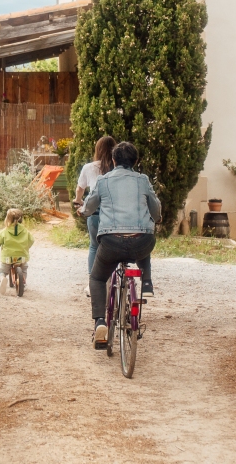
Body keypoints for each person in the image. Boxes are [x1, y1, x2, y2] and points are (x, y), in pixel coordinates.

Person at [79, 141, 161, 346]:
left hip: (111, 242)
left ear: (114, 160)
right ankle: (147, 282)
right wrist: (155, 218)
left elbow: (89, 206)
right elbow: (155, 208)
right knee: (145, 233)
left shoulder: (103, 180)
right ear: (136, 161)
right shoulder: (143, 180)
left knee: (97, 278)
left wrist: (83, 211)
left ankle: (99, 322)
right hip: (142, 242)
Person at [74, 136, 117, 294]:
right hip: (115, 214)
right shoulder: (118, 167)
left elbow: (80, 189)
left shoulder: (89, 167)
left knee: (94, 245)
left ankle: (93, 283)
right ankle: (115, 279)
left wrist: (78, 201)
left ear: (97, 150)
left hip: (95, 212)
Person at [0, 208, 35, 295]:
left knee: (2, 271)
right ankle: (23, 283)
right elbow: (31, 240)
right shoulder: (25, 231)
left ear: (7, 219)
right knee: (23, 270)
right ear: (21, 219)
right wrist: (26, 247)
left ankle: (3, 278)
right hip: (22, 257)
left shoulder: (5, 231)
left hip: (8, 257)